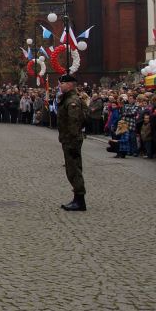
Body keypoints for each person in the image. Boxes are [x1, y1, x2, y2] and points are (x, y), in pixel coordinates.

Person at [57, 75, 87, 212]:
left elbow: (74, 122)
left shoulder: (72, 100)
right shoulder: (69, 99)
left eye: (62, 83)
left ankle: (79, 200)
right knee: (72, 169)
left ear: (70, 84)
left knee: (74, 169)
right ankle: (77, 198)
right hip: (68, 139)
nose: (60, 86)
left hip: (71, 140)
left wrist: (73, 140)